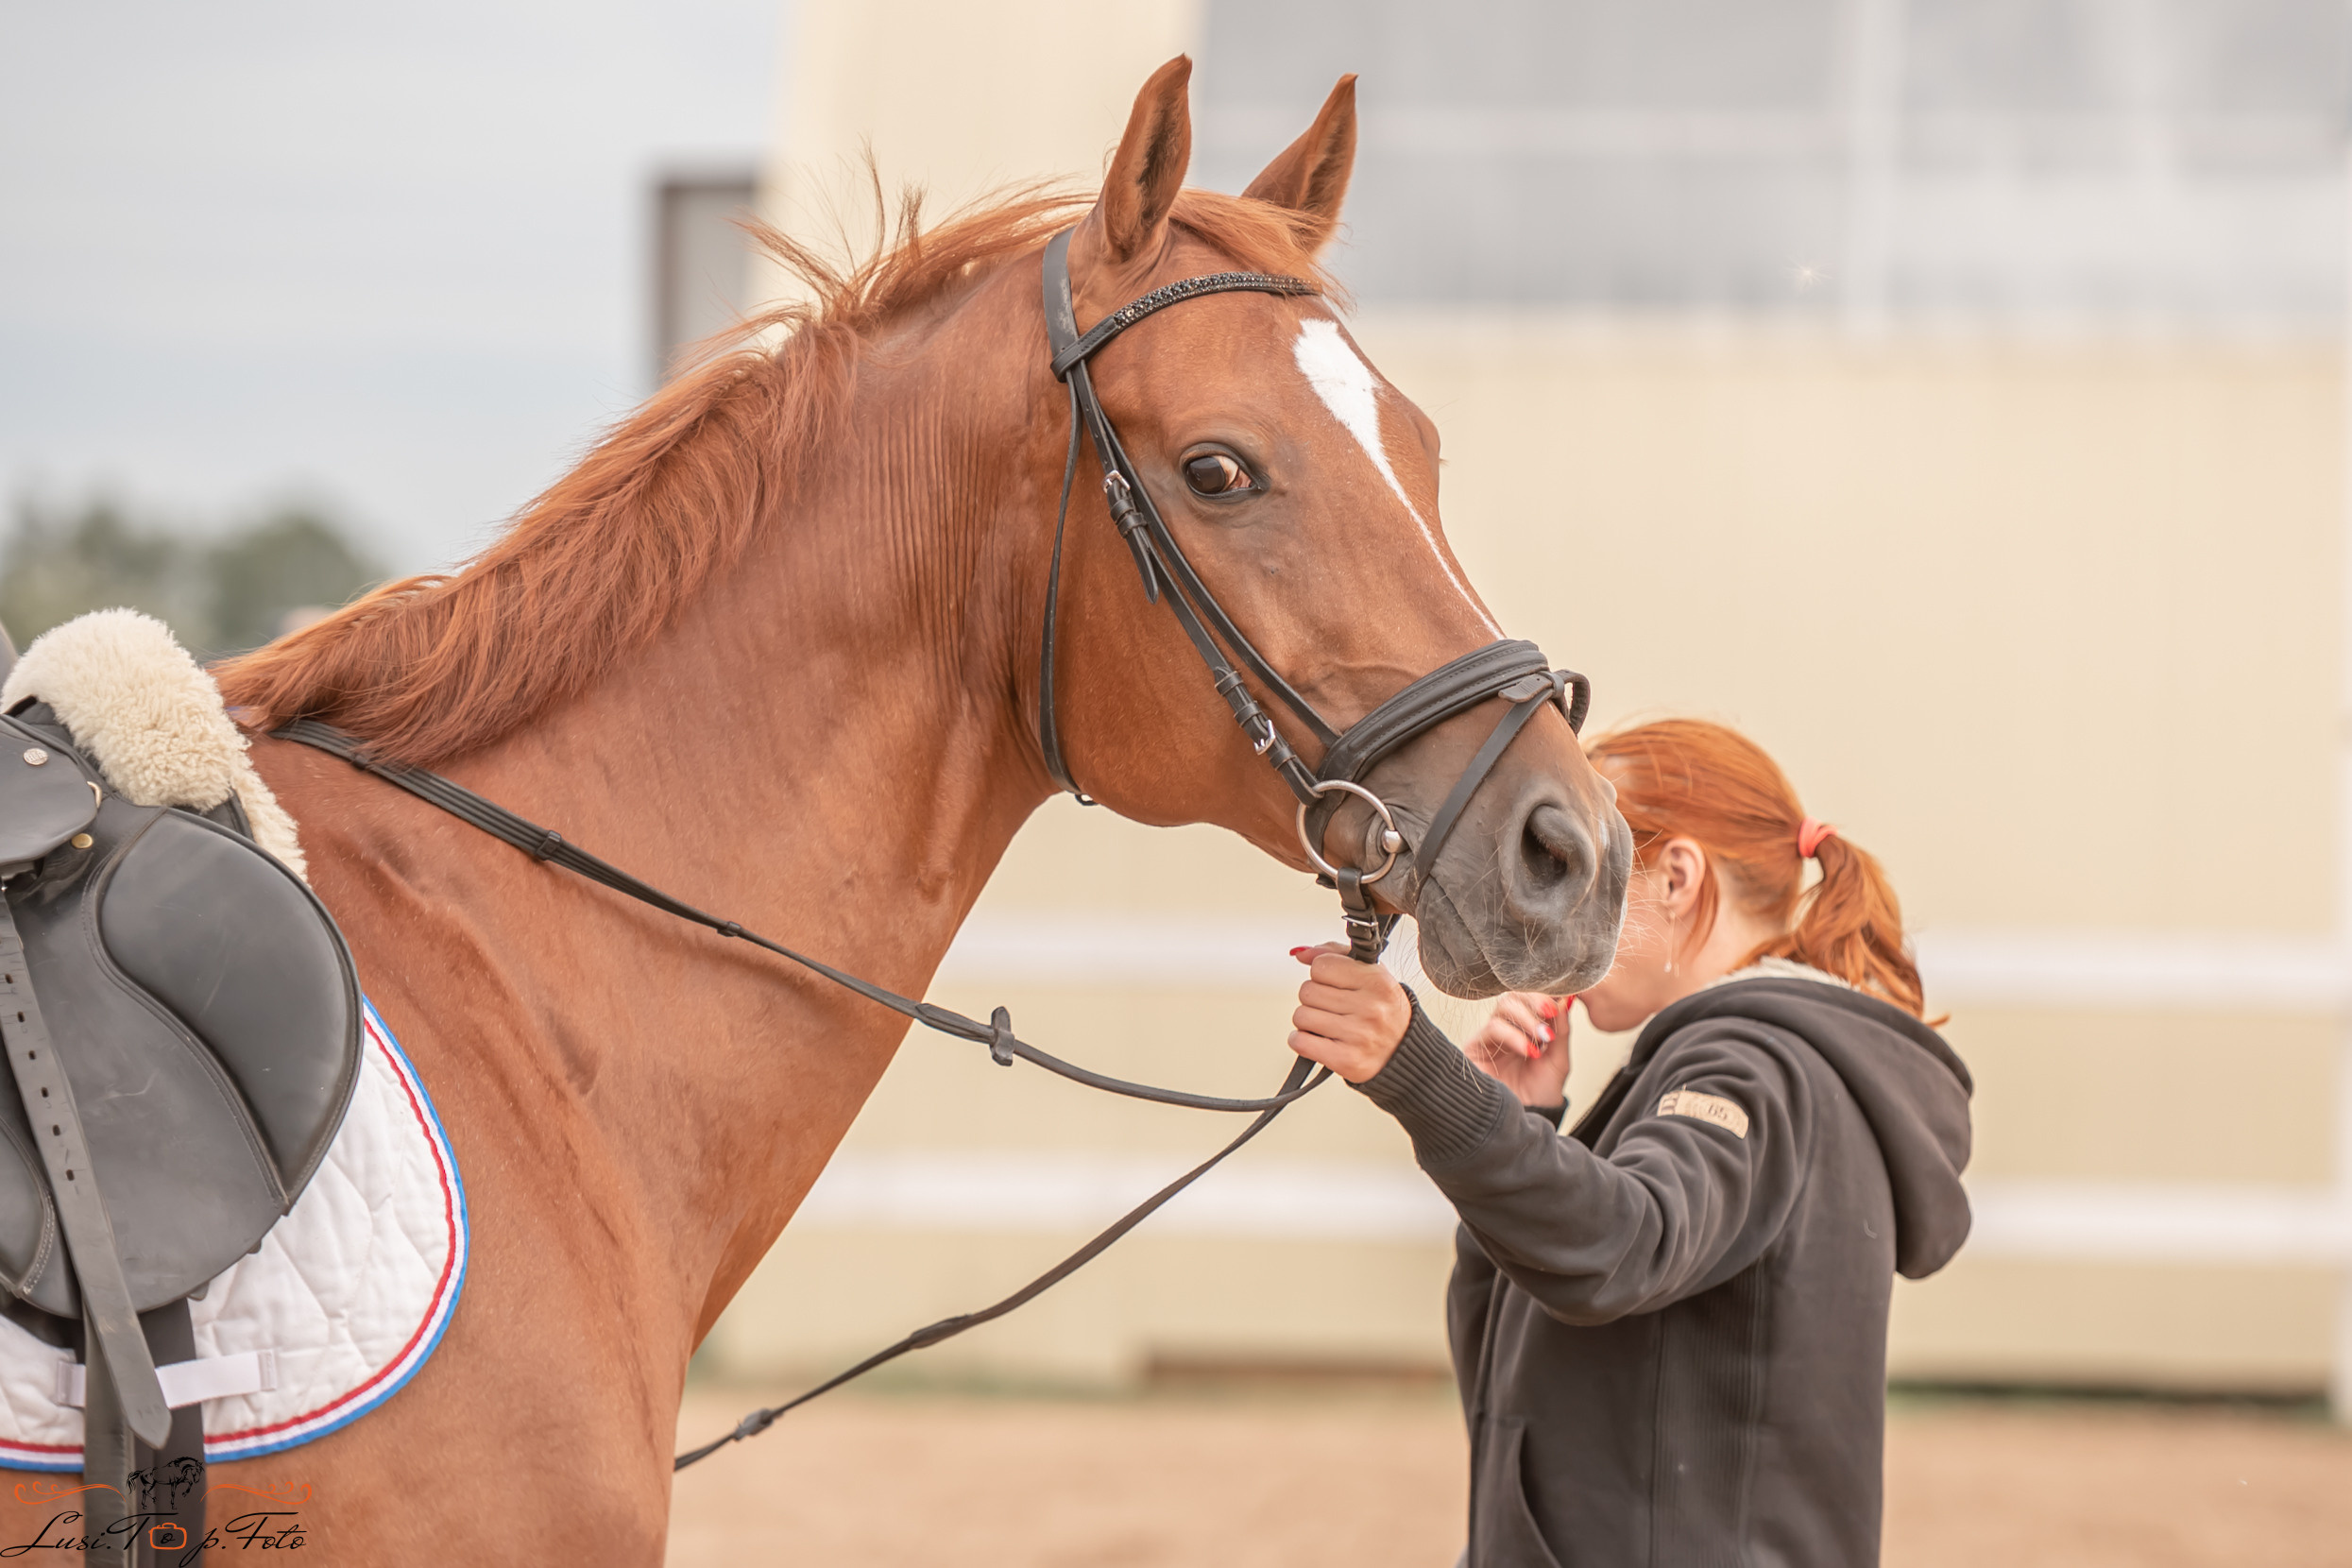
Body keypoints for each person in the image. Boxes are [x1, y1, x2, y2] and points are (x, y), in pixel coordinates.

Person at [1287, 718, 1972, 1568]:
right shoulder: (1752, 1063)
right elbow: (1518, 1377)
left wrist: (1420, 1074)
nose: (1551, 927)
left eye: (1578, 874)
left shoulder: (1752, 1066)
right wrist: (1521, 1123)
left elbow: (1619, 1247)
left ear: (1678, 878)